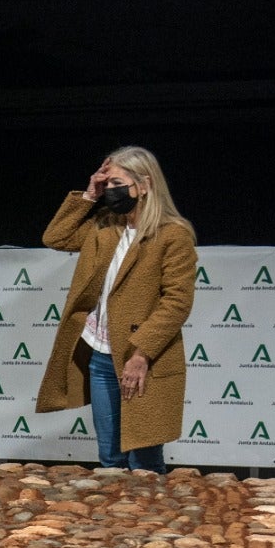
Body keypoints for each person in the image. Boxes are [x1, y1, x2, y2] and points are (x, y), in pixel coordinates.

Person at [36, 146, 198, 473]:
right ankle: (117, 522)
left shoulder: (173, 235)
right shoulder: (106, 226)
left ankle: (151, 521)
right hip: (100, 353)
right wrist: (89, 194)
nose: (111, 191)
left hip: (143, 358)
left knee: (144, 459)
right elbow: (55, 236)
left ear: (145, 184)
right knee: (110, 457)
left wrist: (141, 355)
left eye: (117, 183)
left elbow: (177, 301)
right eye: (107, 185)